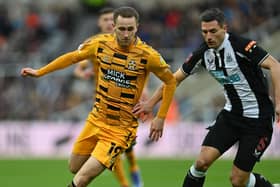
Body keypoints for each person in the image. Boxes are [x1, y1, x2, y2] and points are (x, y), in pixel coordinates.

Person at [20, 6, 176, 187]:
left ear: (137, 27)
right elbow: (72, 58)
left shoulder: (148, 55)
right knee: (74, 167)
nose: (126, 34)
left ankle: (128, 175)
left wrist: (159, 116)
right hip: (96, 119)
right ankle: (112, 163)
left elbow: (171, 82)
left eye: (130, 29)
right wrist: (40, 72)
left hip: (120, 129)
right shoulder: (99, 44)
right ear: (114, 26)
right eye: (121, 28)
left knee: (82, 179)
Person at [133, 8, 280, 187]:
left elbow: (275, 66)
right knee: (201, 163)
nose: (208, 36)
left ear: (224, 28)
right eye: (204, 32)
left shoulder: (242, 46)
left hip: (258, 120)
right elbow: (173, 80)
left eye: (213, 31)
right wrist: (150, 104)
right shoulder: (203, 53)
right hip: (231, 116)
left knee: (237, 180)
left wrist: (279, 103)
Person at [74, 7, 143, 187]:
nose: (107, 23)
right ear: (99, 23)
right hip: (102, 102)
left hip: (127, 104)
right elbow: (78, 66)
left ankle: (134, 169)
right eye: (104, 20)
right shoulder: (94, 43)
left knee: (124, 145)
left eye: (109, 20)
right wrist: (84, 73)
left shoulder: (129, 44)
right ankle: (128, 182)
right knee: (112, 147)